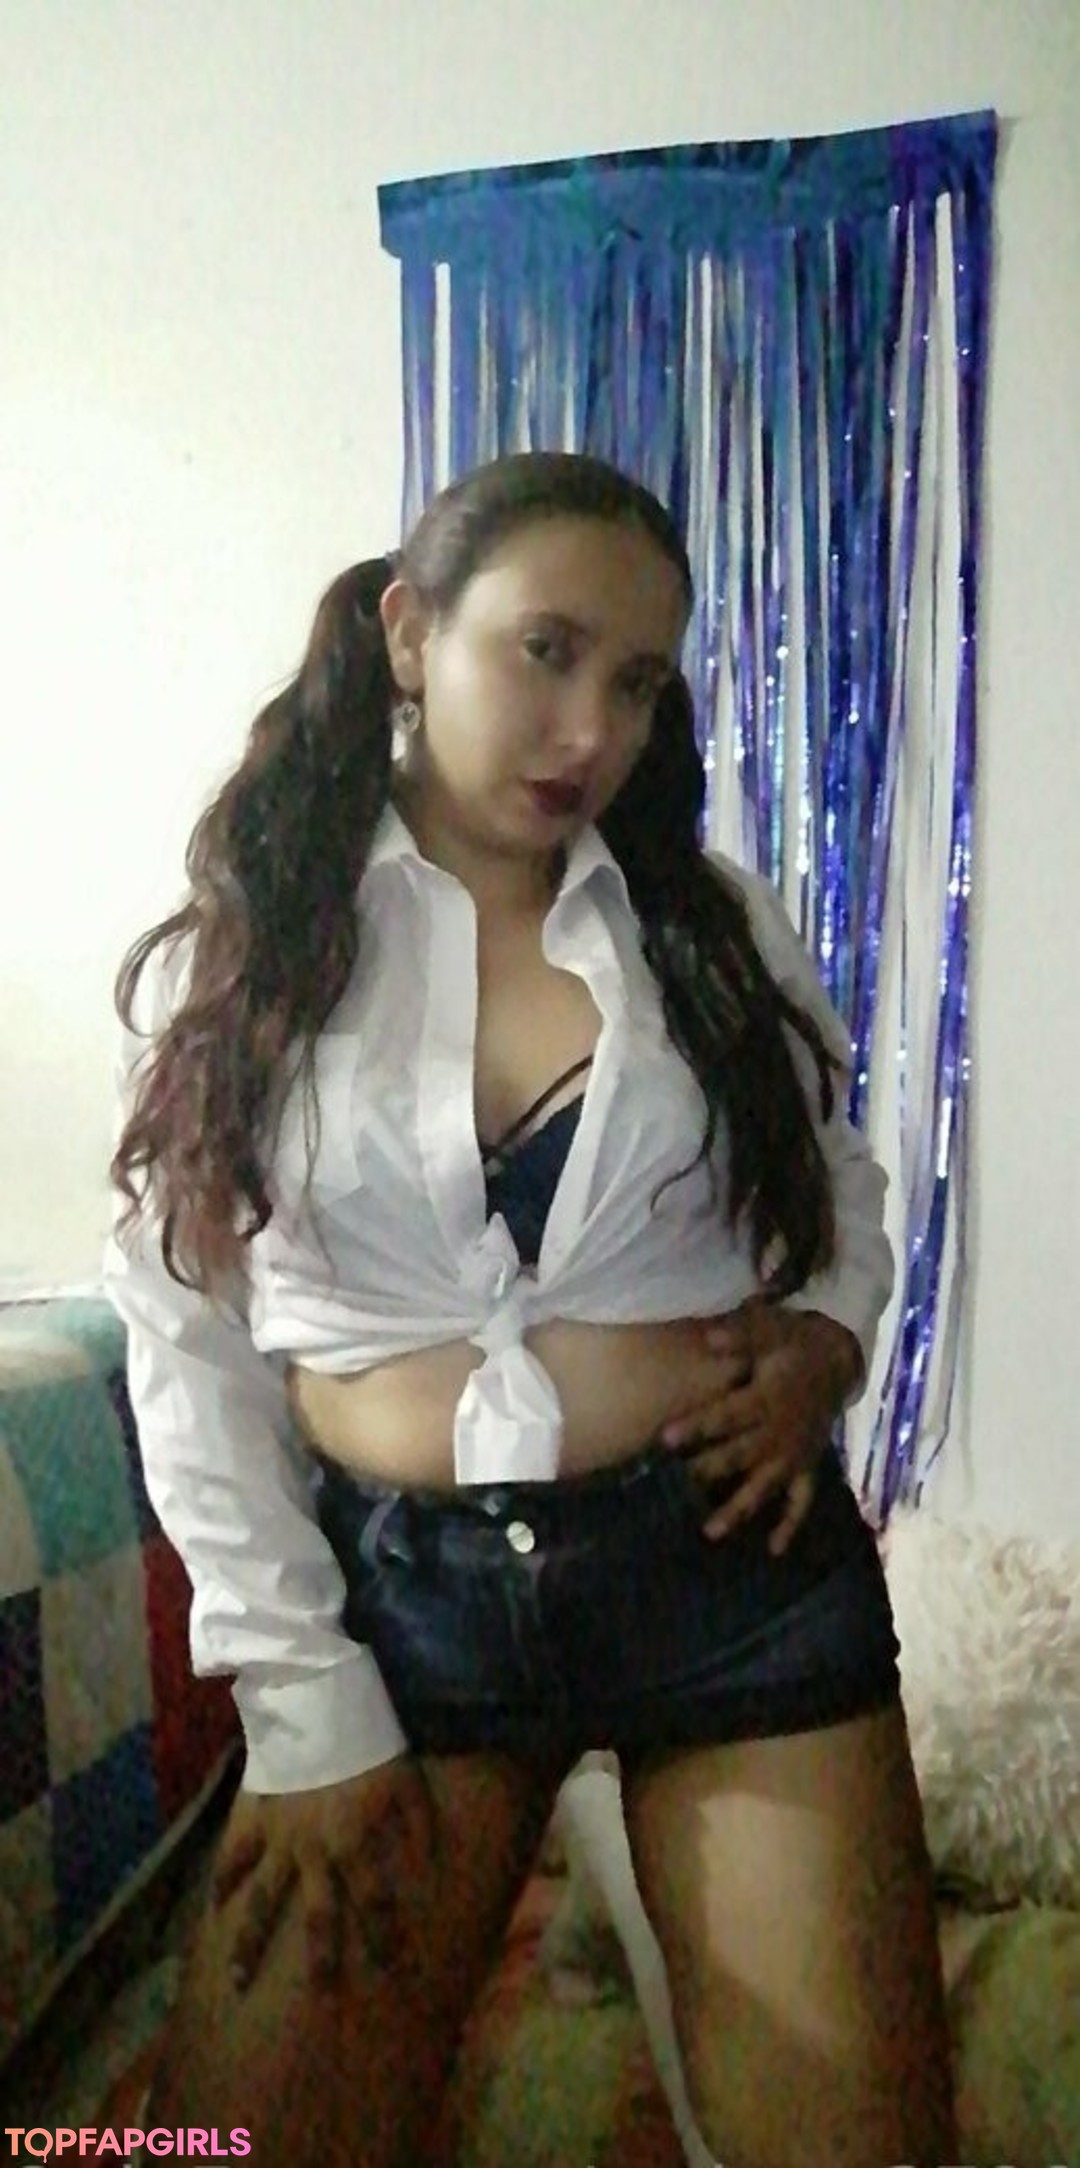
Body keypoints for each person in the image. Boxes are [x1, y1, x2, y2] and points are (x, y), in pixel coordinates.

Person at [104, 450, 957, 2167]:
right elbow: (182, 1329)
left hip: (724, 1568)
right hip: (404, 1613)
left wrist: (829, 1339)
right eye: (546, 652)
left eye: (636, 683)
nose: (590, 731)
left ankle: (654, 1891)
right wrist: (301, 1696)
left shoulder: (706, 928)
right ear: (411, 633)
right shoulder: (260, 946)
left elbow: (844, 1183)